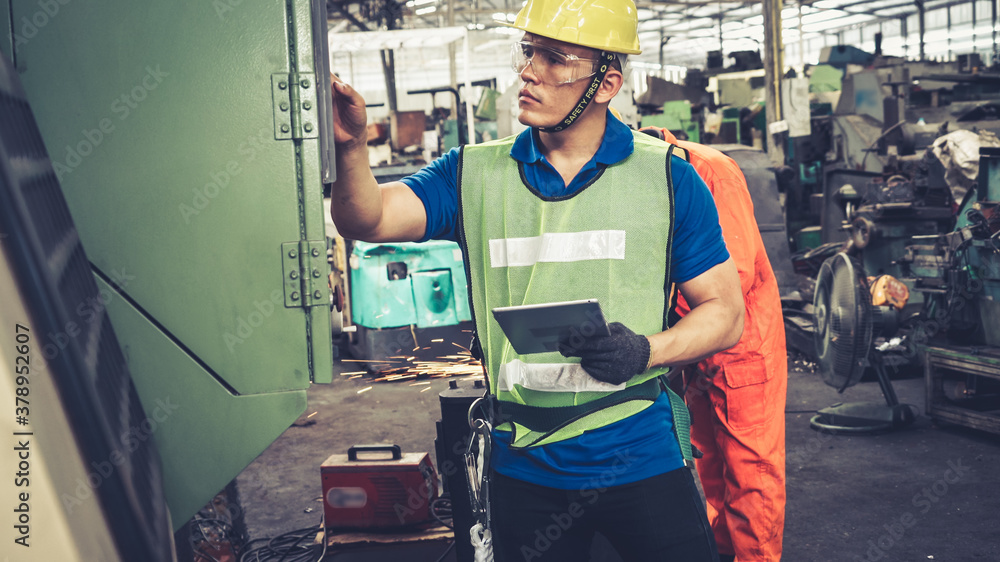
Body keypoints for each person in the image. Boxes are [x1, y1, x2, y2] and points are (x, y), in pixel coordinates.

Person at [329, 0, 744, 559]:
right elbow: (367, 218)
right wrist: (351, 146)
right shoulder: (470, 173)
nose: (528, 71)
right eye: (528, 52)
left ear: (605, 84)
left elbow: (726, 313)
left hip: (639, 453)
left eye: (554, 58)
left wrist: (647, 350)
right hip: (525, 465)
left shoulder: (668, 177)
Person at [640, 125, 788, 562]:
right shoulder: (636, 175)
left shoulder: (709, 171)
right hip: (693, 346)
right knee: (710, 463)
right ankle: (725, 553)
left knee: (750, 470)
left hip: (741, 348)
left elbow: (732, 277)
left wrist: (660, 335)